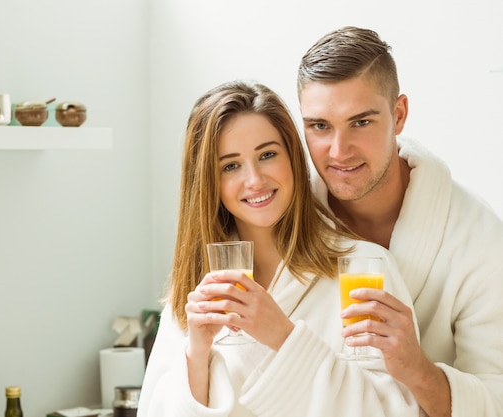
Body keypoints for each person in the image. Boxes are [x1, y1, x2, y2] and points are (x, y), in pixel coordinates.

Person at [137, 80, 421, 417]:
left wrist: (284, 338)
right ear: (209, 183)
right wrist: (197, 353)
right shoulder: (197, 288)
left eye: (267, 154)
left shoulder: (363, 270)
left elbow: (397, 410)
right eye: (230, 166)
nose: (255, 179)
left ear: (292, 157)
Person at [297, 26, 503, 417]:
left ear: (399, 114)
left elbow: (498, 402)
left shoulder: (481, 239)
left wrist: (415, 367)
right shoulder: (287, 225)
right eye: (320, 126)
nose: (339, 151)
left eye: (361, 122)